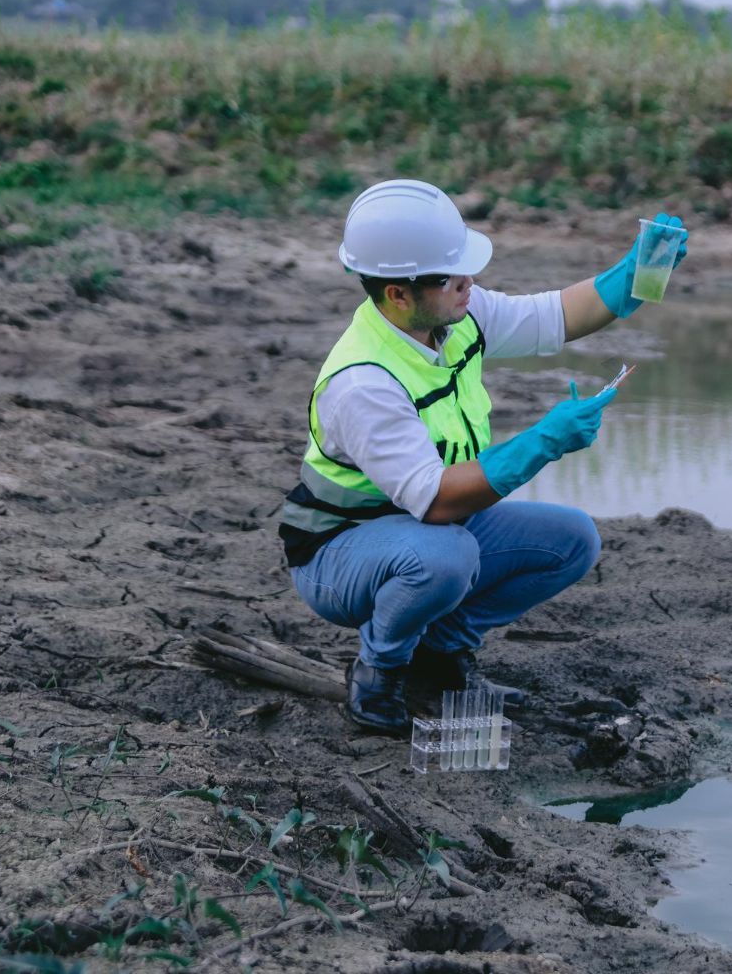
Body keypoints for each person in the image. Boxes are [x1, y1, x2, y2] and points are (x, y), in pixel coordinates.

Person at [277, 179, 689, 735]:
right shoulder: (363, 383)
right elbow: (439, 501)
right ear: (399, 293)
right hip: (338, 554)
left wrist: (639, 271)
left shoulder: (451, 317)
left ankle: (438, 660)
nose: (470, 283)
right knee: (444, 556)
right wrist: (542, 442)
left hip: (419, 529)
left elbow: (559, 316)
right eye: (453, 275)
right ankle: (379, 674)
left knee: (571, 540)